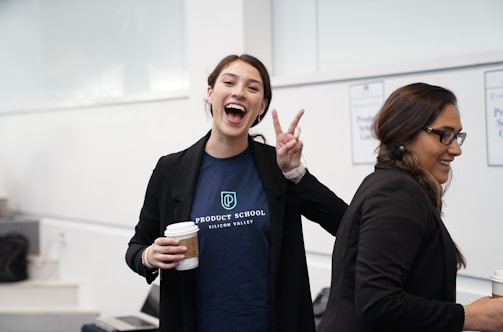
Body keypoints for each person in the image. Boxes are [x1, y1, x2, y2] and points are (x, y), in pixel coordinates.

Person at [125, 54, 348, 332]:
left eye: (253, 88)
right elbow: (136, 248)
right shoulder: (171, 170)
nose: (239, 92)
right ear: (210, 93)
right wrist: (149, 255)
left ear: (261, 106)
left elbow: (345, 223)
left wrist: (294, 173)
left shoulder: (277, 167)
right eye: (229, 82)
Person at [317, 82, 503, 332]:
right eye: (444, 134)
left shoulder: (390, 183)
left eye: (457, 135)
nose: (456, 149)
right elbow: (378, 303)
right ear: (405, 133)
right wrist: (469, 316)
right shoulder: (396, 192)